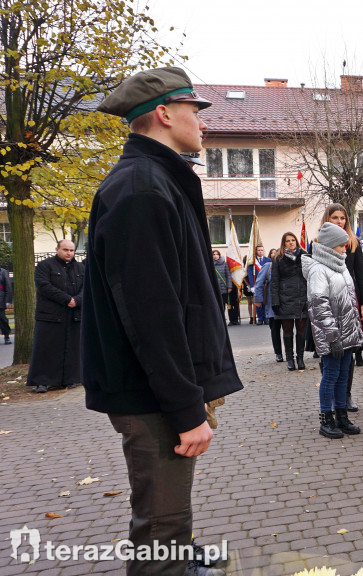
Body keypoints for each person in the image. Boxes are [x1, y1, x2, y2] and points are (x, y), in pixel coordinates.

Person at [84, 66, 243, 576]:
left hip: (160, 389)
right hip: (154, 394)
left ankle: (182, 557)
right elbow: (151, 313)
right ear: (164, 112)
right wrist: (185, 408)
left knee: (171, 510)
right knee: (160, 526)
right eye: (195, 110)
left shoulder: (156, 180)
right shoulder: (144, 189)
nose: (203, 123)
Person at [302, 222, 363, 438]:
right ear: (330, 246)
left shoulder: (341, 265)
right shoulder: (319, 270)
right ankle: (326, 419)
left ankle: (341, 416)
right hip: (333, 336)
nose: (345, 247)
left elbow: (349, 301)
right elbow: (319, 307)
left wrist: (356, 332)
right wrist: (333, 337)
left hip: (347, 333)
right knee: (330, 376)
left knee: (343, 375)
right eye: (341, 244)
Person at [320, 204, 363, 410]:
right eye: (335, 217)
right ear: (327, 219)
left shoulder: (353, 243)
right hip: (329, 304)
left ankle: (346, 395)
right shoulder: (320, 242)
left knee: (349, 352)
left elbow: (360, 274)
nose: (339, 221)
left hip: (351, 302)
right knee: (330, 355)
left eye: (342, 218)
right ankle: (331, 396)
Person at [27, 240, 85, 393]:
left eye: (72, 250)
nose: (69, 253)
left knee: (72, 348)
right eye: (65, 249)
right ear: (57, 249)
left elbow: (87, 287)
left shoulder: (80, 268)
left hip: (74, 315)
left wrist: (77, 300)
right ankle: (42, 381)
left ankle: (70, 379)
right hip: (50, 315)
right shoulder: (44, 266)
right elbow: (44, 286)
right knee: (46, 349)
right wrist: (67, 299)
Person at [270, 231, 308, 371]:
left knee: (301, 330)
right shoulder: (278, 258)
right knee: (287, 330)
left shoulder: (304, 255)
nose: (291, 242)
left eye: (293, 240)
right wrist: (275, 300)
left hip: (302, 297)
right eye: (288, 241)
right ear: (283, 243)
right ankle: (290, 359)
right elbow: (274, 281)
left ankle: (300, 358)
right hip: (285, 298)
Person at [254, 249, 283, 362]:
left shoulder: (285, 266)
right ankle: (278, 353)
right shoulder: (268, 266)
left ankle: (289, 353)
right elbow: (259, 283)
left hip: (286, 303)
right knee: (275, 330)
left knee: (287, 330)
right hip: (272, 304)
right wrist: (258, 299)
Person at [247, 246, 271, 325]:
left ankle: (266, 317)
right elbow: (250, 273)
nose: (260, 251)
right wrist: (252, 285)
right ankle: (260, 318)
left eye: (262, 250)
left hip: (266, 283)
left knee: (265, 300)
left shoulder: (268, 260)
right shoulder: (253, 261)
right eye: (259, 250)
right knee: (258, 301)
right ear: (256, 251)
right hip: (257, 284)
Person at [211, 249, 230, 321]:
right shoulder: (210, 264)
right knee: (216, 303)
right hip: (214, 288)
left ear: (219, 255)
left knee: (223, 303)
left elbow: (228, 275)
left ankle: (222, 316)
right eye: (214, 254)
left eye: (216, 254)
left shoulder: (224, 264)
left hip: (223, 287)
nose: (215, 256)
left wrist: (229, 286)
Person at [0, 264, 10, 344]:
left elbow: (8, 287)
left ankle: (6, 336)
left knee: (2, 318)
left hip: (1, 300)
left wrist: (7, 301)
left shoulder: (3, 272)